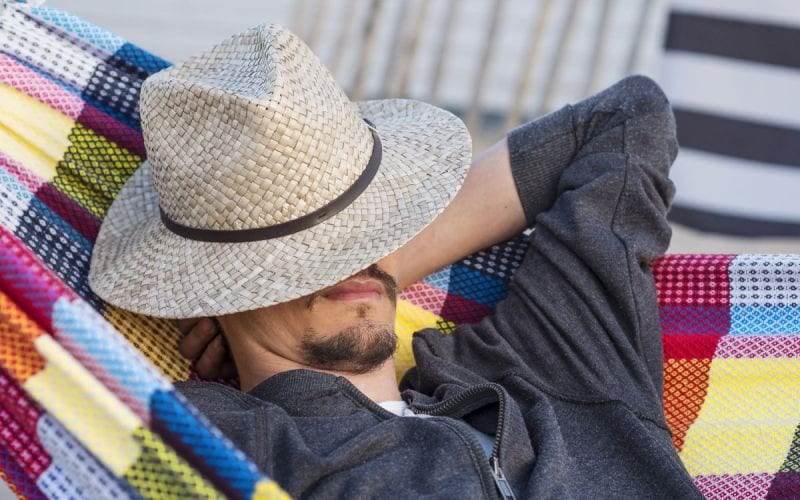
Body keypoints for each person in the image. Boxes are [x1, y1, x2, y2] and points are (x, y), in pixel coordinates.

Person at [89, 23, 702, 499]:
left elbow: (626, 118)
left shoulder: (555, 361)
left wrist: (371, 272)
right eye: (303, 247)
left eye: (363, 222)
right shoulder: (214, 441)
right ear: (218, 282)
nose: (352, 252)